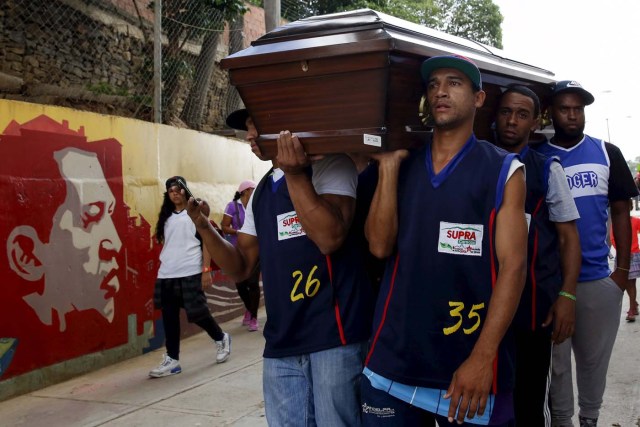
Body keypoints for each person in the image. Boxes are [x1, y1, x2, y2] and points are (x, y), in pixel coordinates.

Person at [362, 55, 527, 426]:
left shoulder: (504, 170)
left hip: (466, 369)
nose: (441, 91)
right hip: (393, 364)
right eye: (434, 84)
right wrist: (388, 168)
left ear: (479, 99)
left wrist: (484, 357)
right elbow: (378, 246)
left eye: (454, 83)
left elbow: (514, 268)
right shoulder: (404, 165)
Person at [184, 109, 374, 425]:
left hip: (333, 338)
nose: (250, 137)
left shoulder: (332, 165)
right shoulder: (263, 190)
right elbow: (241, 266)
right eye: (247, 130)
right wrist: (203, 225)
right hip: (281, 343)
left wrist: (295, 174)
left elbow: (330, 238)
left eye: (255, 126)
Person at [533, 80, 638, 427]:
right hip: (553, 283)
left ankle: (590, 419)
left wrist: (621, 273)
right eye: (565, 108)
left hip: (597, 280)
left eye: (578, 109)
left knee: (594, 363)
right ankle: (562, 420)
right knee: (558, 366)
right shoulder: (539, 155)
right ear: (551, 112)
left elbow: (621, 211)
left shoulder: (607, 152)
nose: (573, 115)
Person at [492, 84, 581, 426]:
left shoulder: (547, 169)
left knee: (528, 403)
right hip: (478, 308)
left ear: (535, 123)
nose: (511, 120)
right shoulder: (478, 162)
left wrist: (567, 295)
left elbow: (568, 237)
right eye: (505, 112)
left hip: (531, 309)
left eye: (522, 114)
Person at [148, 176, 231, 378]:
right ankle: (172, 360)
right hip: (167, 273)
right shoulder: (166, 216)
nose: (175, 193)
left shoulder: (196, 212)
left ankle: (221, 338)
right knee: (169, 318)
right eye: (171, 190)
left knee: (198, 313)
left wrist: (206, 270)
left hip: (190, 271)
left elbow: (207, 241)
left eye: (179, 189)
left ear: (185, 190)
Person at [221, 179, 261, 331]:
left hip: (255, 251)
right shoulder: (232, 207)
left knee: (252, 283)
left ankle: (254, 317)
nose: (255, 192)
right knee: (240, 284)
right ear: (245, 191)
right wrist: (238, 232)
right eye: (253, 189)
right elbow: (224, 227)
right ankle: (250, 308)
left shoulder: (257, 205)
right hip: (237, 251)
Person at [610, 199, 640, 322]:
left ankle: (632, 308)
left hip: (633, 255)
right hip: (623, 256)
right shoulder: (616, 223)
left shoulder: (635, 221)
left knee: (630, 283)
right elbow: (612, 238)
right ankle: (634, 304)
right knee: (627, 283)